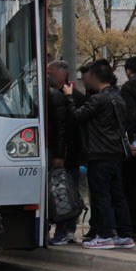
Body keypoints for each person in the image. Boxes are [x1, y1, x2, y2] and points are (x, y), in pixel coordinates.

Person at [64, 62, 136, 249]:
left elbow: (76, 117)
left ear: (95, 78)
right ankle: (125, 234)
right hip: (116, 153)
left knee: (101, 194)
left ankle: (104, 235)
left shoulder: (98, 99)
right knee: (118, 195)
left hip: (99, 153)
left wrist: (69, 97)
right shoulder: (118, 98)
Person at [47, 61, 77, 244]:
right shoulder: (53, 94)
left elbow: (61, 128)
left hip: (65, 154)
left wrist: (59, 154)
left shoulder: (65, 96)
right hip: (62, 152)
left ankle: (65, 230)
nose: (47, 73)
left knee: (62, 191)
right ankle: (62, 230)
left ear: (62, 74)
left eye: (51, 71)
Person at [119, 56, 136, 239]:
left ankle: (135, 226)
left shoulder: (130, 87)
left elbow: (131, 117)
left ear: (128, 71)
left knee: (131, 185)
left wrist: (132, 143)